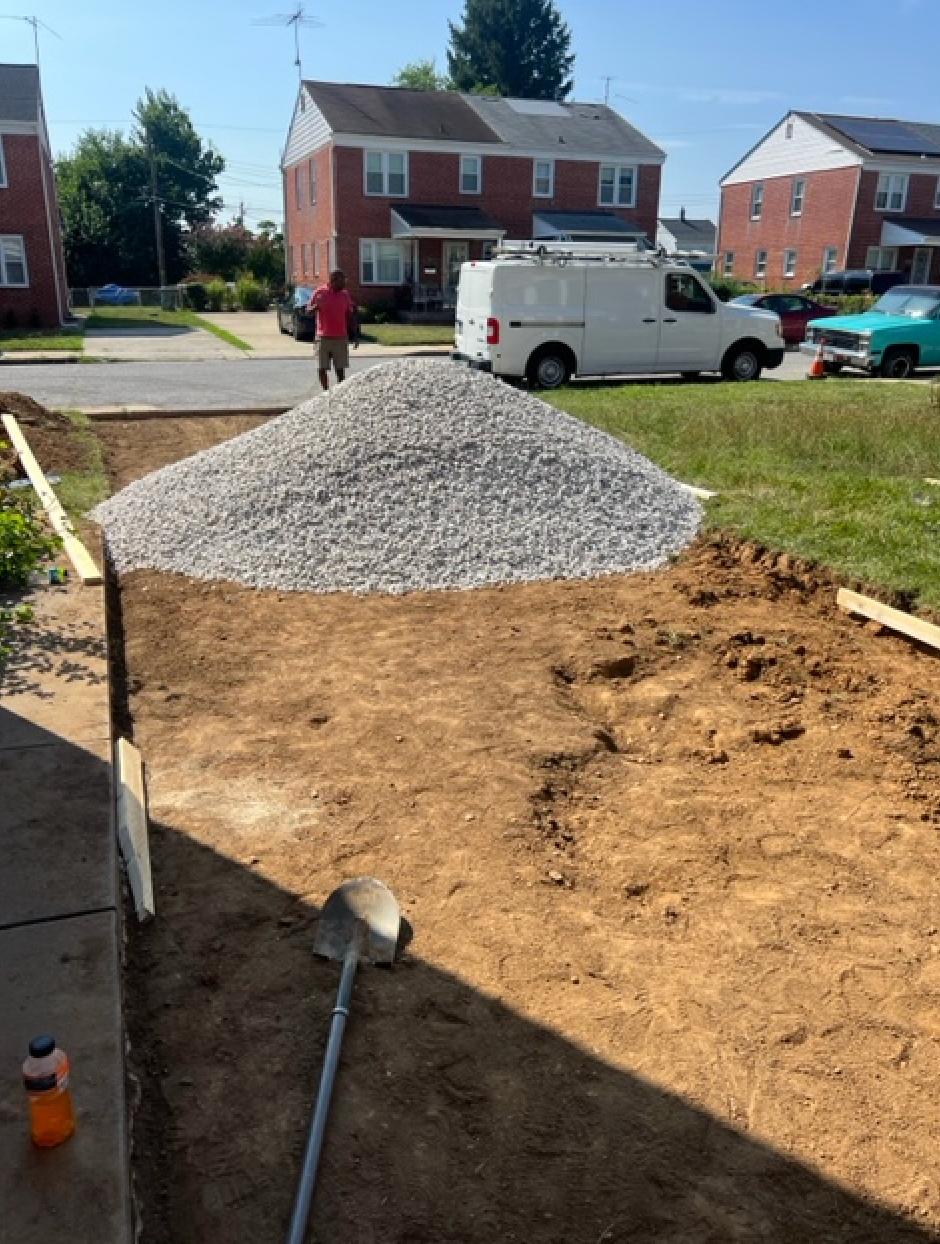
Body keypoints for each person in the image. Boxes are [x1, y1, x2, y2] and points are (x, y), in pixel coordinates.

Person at [306, 269, 359, 391]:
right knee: (322, 367)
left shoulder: (344, 295)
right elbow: (307, 312)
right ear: (333, 280)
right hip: (323, 337)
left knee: (340, 369)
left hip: (340, 337)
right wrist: (316, 306)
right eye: (342, 280)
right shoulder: (319, 293)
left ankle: (339, 393)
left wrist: (355, 336)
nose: (345, 283)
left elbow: (350, 316)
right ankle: (325, 392)